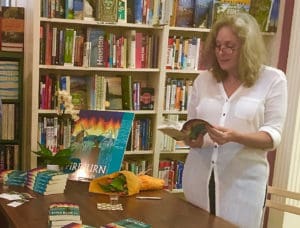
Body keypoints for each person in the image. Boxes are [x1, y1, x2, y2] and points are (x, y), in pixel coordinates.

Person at [182, 13, 287, 228]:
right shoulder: (204, 80)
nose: (222, 52)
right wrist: (192, 139)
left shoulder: (273, 80)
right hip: (198, 180)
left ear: (247, 47)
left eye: (230, 46)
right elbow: (193, 126)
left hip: (243, 185)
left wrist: (235, 137)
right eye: (218, 45)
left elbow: (272, 136)